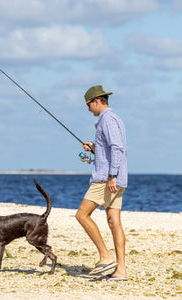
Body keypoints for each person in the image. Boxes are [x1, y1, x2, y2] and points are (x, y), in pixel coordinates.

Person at [75, 85, 128, 281]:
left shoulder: (107, 119)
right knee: (114, 222)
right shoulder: (114, 119)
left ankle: (105, 256)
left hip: (107, 179)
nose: (88, 109)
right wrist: (94, 148)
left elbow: (117, 148)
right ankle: (121, 270)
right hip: (117, 178)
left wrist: (112, 175)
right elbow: (110, 149)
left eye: (88, 104)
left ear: (96, 101)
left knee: (81, 215)